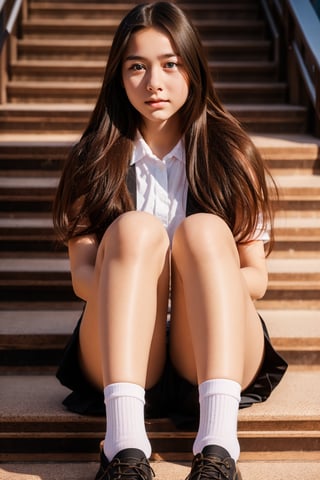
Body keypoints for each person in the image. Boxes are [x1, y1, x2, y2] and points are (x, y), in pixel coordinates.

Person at [53, 2, 288, 479]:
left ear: (192, 68)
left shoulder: (232, 154)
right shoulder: (93, 159)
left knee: (201, 231)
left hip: (210, 345)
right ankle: (122, 448)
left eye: (169, 63)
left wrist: (194, 288)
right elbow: (82, 277)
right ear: (118, 77)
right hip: (120, 349)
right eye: (136, 66)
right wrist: (141, 289)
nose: (153, 82)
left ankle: (219, 448)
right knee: (134, 229)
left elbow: (257, 279)